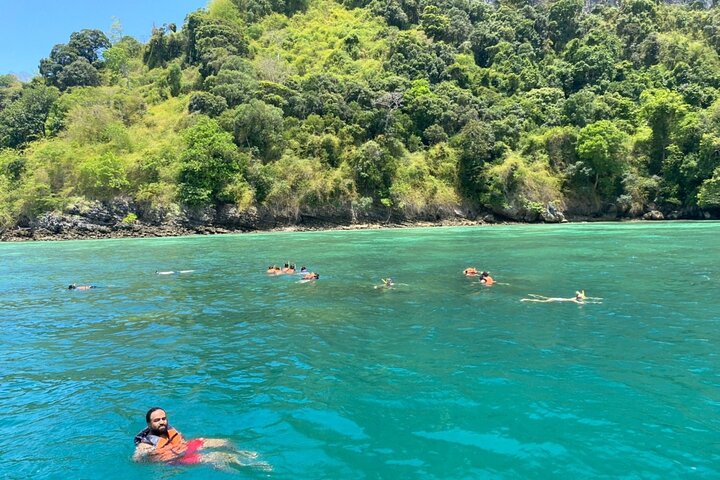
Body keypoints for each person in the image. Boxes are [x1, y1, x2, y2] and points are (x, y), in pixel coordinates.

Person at [133, 407, 267, 470]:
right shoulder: (146, 443)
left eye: (164, 418)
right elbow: (137, 459)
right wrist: (150, 454)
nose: (162, 422)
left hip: (183, 448)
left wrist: (183, 443)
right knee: (216, 456)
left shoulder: (167, 428)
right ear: (149, 424)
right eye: (157, 420)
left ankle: (241, 452)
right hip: (176, 459)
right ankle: (248, 465)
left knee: (223, 441)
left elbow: (179, 437)